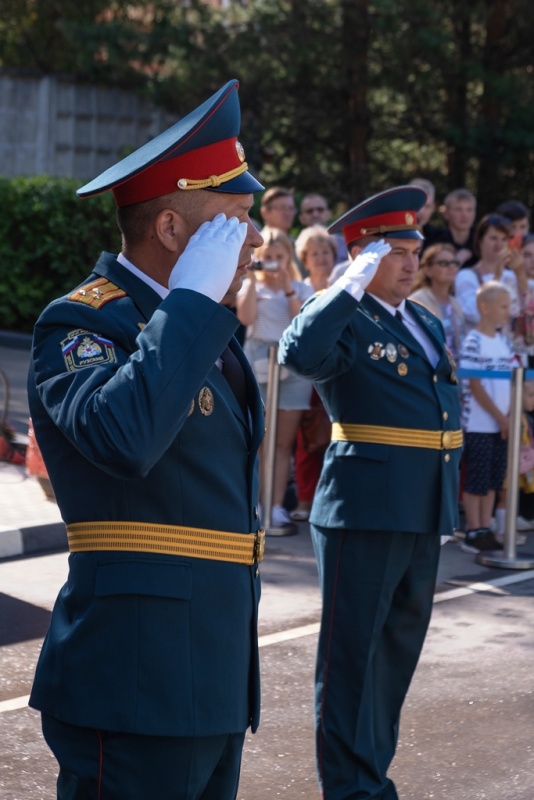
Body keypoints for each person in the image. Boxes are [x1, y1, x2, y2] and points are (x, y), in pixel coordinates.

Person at [27, 79, 266, 800]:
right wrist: (191, 301)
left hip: (210, 671)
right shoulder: (80, 323)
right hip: (135, 675)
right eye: (231, 223)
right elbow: (124, 437)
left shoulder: (199, 332)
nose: (253, 241)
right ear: (171, 231)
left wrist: (195, 308)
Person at [279, 186, 462, 800]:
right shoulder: (347, 316)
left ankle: (371, 776)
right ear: (363, 257)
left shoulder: (424, 321)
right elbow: (299, 352)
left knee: (393, 656)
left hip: (418, 507)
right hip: (365, 508)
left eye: (417, 250)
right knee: (352, 660)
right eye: (397, 252)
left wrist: (446, 503)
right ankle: (351, 788)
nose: (413, 262)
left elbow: (439, 410)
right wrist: (344, 285)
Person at [236, 227, 311, 533]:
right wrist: (253, 281)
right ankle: (255, 503)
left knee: (283, 443)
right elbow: (245, 318)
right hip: (258, 362)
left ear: (289, 257)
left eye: (279, 257)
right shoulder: (249, 286)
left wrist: (288, 290)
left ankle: (276, 506)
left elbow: (301, 323)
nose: (273, 263)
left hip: (291, 366)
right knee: (260, 440)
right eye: (267, 257)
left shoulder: (300, 289)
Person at [458, 281, 514, 554]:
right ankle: (473, 528)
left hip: (501, 424)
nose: (508, 311)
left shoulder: (503, 341)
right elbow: (475, 386)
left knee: (493, 478)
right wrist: (501, 418)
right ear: (485, 307)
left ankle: (485, 527)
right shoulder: (474, 341)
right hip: (480, 424)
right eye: (503, 306)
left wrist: (509, 417)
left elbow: (513, 380)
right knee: (477, 479)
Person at [290, 226, 337, 521]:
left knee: (334, 438)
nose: (320, 258)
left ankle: (330, 501)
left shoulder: (346, 286)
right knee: (307, 440)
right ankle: (304, 500)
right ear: (304, 259)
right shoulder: (297, 288)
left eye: (325, 252)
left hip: (335, 371)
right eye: (314, 253)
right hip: (304, 375)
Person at [454, 213, 524, 334]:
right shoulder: (466, 276)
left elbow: (518, 312)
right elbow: (473, 315)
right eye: (493, 238)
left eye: (504, 239)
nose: (499, 245)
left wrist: (520, 272)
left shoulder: (509, 275)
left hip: (505, 348)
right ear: (480, 240)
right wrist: (496, 278)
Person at [409, 242, 466, 360]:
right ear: (428, 270)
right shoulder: (417, 301)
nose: (451, 267)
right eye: (443, 263)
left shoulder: (455, 302)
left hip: (457, 374)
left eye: (454, 263)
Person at [298, 193, 348, 263]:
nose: (315, 214)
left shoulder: (345, 244)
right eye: (309, 211)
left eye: (320, 209)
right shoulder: (294, 248)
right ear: (301, 218)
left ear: (328, 214)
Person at [435, 187, 478, 268]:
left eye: (469, 210)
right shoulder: (436, 243)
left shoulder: (482, 243)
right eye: (458, 209)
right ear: (446, 214)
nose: (464, 215)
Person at [408, 177, 443, 247]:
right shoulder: (389, 235)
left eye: (427, 206)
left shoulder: (439, 238)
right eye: (417, 205)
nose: (421, 211)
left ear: (433, 207)